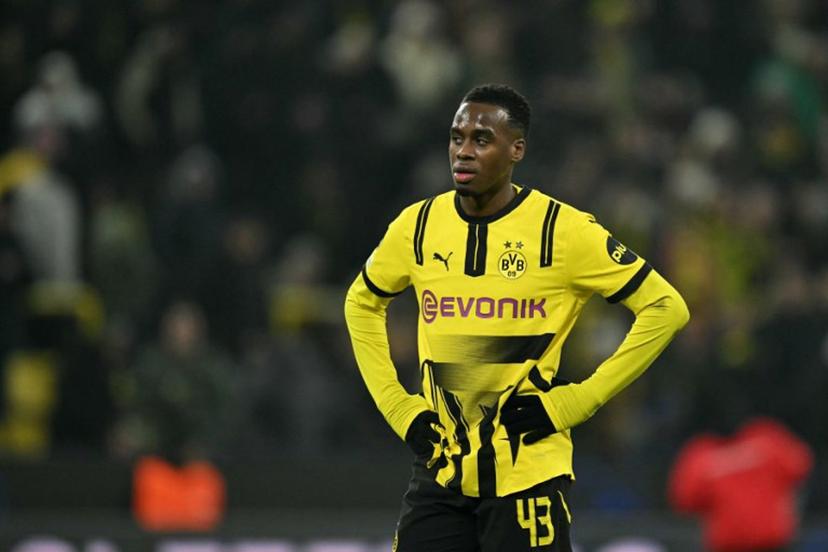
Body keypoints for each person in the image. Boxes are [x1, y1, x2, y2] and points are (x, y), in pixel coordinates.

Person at [343, 83, 690, 551]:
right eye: (456, 137)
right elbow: (360, 302)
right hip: (441, 474)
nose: (463, 152)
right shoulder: (418, 226)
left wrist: (577, 401)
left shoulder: (562, 231)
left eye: (481, 140)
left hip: (526, 476)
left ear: (516, 150)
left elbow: (667, 307)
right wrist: (399, 407)